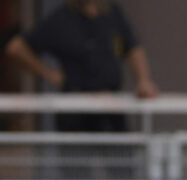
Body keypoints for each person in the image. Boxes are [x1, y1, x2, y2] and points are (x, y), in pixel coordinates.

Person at [4, 0, 158, 132]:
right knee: (77, 163)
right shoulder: (61, 19)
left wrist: (143, 80)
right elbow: (16, 48)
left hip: (111, 106)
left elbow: (133, 48)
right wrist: (47, 73)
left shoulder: (112, 13)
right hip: (75, 109)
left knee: (121, 161)